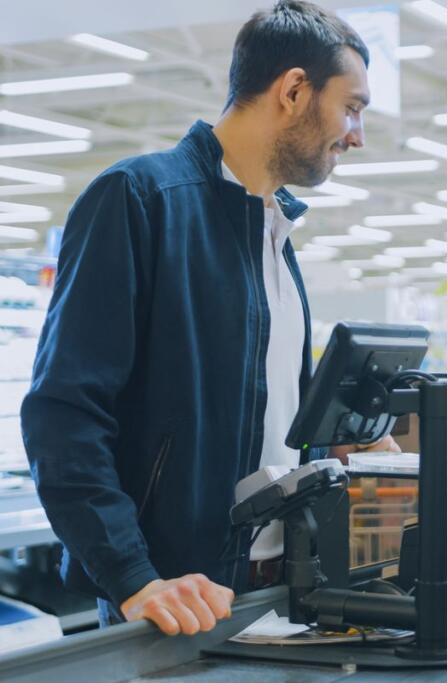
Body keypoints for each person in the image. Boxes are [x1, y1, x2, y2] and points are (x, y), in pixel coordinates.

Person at [21, 1, 372, 636]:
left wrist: (335, 448)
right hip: (173, 602)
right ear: (293, 90)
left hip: (275, 591)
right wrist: (134, 578)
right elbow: (63, 415)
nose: (356, 134)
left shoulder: (274, 233)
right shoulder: (139, 199)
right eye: (351, 107)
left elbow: (258, 422)